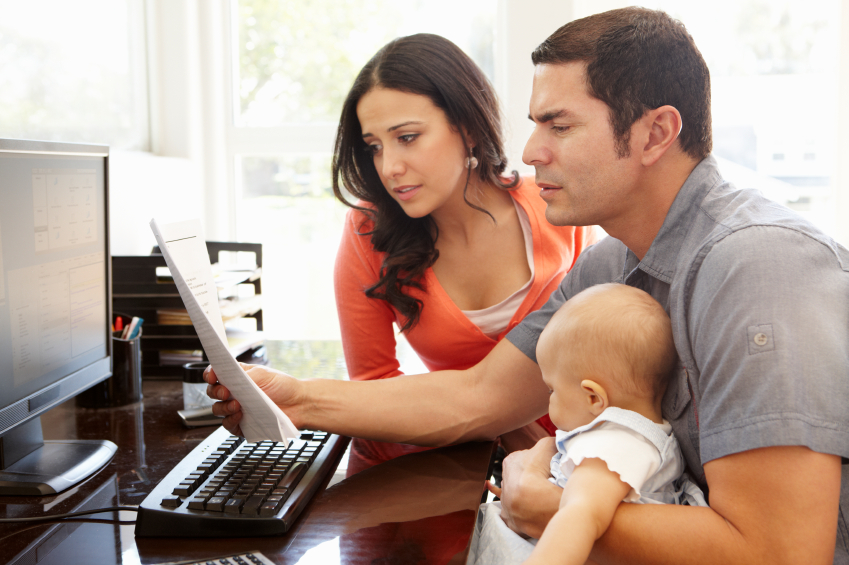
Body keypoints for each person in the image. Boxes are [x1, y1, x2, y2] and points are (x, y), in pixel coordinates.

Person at [207, 7, 848, 563]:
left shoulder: (757, 264)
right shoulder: (613, 264)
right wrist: (293, 398)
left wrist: (556, 509)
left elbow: (780, 553)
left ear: (655, 133)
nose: (532, 150)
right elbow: (477, 398)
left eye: (559, 126)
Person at [331, 32, 596, 463]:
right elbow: (373, 388)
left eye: (408, 137)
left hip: (591, 460)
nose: (390, 167)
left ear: (468, 128)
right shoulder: (369, 230)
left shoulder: (557, 207)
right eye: (374, 147)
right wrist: (495, 428)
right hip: (458, 466)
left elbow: (613, 360)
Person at [469, 283, 706, 565]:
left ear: (593, 397)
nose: (549, 401)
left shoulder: (611, 444)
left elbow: (580, 514)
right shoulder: (641, 437)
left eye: (552, 390)